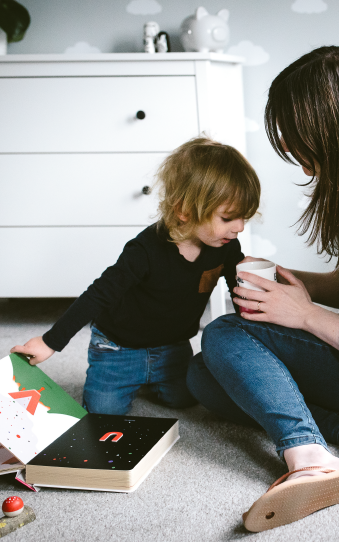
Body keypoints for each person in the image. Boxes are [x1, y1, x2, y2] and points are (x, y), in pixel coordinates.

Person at [187, 46, 339, 532]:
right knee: (203, 377)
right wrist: (305, 286)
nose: (303, 165)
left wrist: (302, 314)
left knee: (223, 337)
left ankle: (311, 458)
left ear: (334, 135)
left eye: (303, 147)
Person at [11, 137, 260, 415]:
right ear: (184, 211)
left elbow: (239, 290)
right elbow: (97, 295)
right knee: (104, 413)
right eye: (228, 218)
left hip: (171, 347)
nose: (238, 227)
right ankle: (130, 379)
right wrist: (50, 342)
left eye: (244, 217)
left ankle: (153, 379)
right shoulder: (144, 250)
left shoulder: (225, 246)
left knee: (185, 399)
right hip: (119, 348)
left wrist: (254, 324)